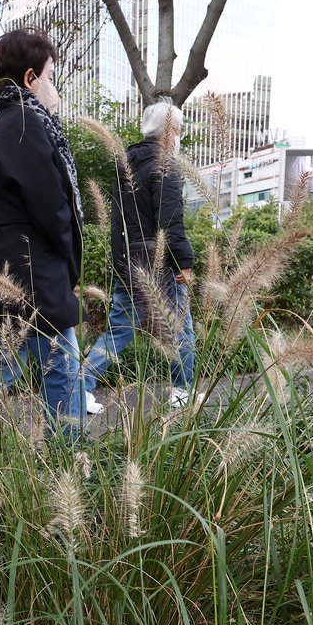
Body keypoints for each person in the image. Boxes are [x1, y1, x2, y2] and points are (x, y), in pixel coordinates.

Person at [0, 28, 83, 436]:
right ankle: (71, 458)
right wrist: (70, 260)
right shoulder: (25, 122)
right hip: (33, 264)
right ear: (32, 78)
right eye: (51, 75)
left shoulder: (12, 120)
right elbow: (52, 206)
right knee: (61, 363)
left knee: (13, 359)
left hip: (17, 263)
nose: (54, 85)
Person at [80, 101, 197, 414]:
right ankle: (182, 391)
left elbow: (124, 223)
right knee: (180, 328)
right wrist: (183, 262)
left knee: (119, 330)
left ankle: (80, 388)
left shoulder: (128, 164)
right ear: (169, 131)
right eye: (178, 130)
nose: (179, 137)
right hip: (159, 265)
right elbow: (170, 219)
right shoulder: (165, 165)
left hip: (130, 262)